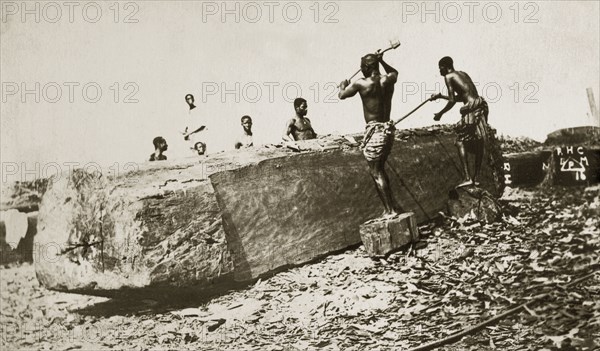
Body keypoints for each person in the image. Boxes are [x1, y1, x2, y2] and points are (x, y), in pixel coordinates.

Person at [339, 51, 401, 217]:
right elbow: (396, 73)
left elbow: (341, 95)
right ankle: (390, 208)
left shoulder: (361, 83)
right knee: (380, 169)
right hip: (388, 130)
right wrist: (382, 60)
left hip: (374, 132)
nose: (360, 70)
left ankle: (390, 210)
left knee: (375, 172)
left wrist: (342, 85)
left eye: (362, 67)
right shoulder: (388, 79)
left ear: (367, 67)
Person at [431, 56, 490, 188]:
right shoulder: (463, 74)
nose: (439, 72)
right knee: (479, 141)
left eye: (440, 68)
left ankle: (467, 178)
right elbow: (463, 95)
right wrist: (440, 96)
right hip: (480, 106)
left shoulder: (448, 77)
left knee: (459, 141)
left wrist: (440, 113)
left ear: (445, 66)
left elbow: (452, 101)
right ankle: (477, 177)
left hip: (471, 109)